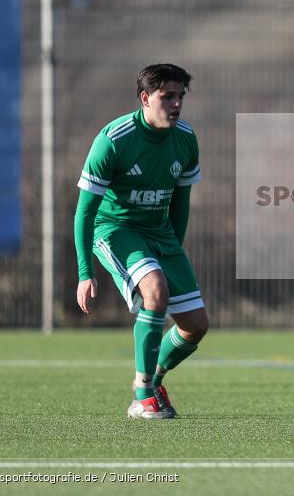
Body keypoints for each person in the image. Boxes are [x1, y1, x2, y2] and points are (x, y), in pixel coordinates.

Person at [74, 63, 207, 419]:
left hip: (159, 234)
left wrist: (173, 250)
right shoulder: (114, 140)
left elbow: (181, 204)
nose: (176, 104)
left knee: (195, 325)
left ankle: (157, 379)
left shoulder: (186, 139)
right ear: (146, 98)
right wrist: (85, 273)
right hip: (116, 229)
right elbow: (85, 211)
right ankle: (142, 394)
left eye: (180, 96)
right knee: (156, 291)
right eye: (168, 96)